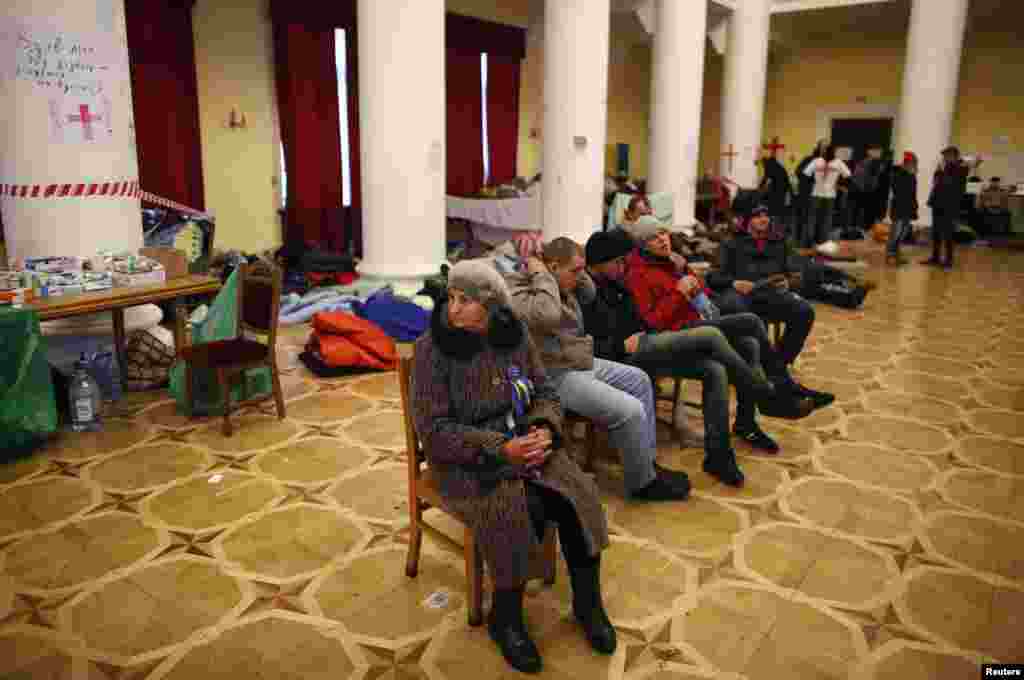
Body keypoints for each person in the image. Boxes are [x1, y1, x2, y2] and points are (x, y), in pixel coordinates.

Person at [411, 261, 615, 673]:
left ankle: (587, 604)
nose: (453, 309)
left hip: (525, 440)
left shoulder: (515, 334)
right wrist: (501, 449)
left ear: (490, 305)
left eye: (465, 300)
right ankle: (505, 620)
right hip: (467, 459)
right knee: (515, 509)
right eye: (451, 298)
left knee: (579, 493)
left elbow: (545, 391)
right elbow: (433, 431)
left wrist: (543, 428)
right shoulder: (432, 349)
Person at [582, 229, 807, 488]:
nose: (624, 266)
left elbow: (648, 316)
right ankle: (765, 394)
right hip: (630, 352)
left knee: (716, 368)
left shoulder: (620, 279)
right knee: (717, 333)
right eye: (619, 261)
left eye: (663, 234)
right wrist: (620, 344)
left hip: (653, 339)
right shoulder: (593, 290)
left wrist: (683, 274)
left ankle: (719, 455)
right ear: (600, 262)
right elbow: (593, 344)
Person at [505, 237, 691, 502]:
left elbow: (589, 293)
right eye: (575, 271)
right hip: (552, 375)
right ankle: (642, 485)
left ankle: (645, 465)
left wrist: (571, 271)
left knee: (639, 379)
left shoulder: (563, 282)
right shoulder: (517, 288)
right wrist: (542, 273)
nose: (580, 276)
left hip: (578, 360)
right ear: (552, 267)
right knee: (630, 410)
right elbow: (546, 315)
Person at [699, 199, 834, 409]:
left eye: (765, 215)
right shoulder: (731, 242)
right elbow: (713, 276)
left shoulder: (779, 241)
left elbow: (796, 273)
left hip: (771, 294)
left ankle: (777, 364)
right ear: (746, 220)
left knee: (804, 311)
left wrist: (789, 283)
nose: (763, 219)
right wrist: (734, 282)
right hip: (742, 298)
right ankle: (776, 376)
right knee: (740, 312)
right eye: (757, 215)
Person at [925, 146, 979, 269]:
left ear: (954, 156)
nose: (944, 158)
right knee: (936, 232)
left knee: (948, 233)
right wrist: (938, 172)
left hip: (950, 205)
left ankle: (948, 260)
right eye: (944, 156)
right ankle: (935, 257)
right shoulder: (944, 167)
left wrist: (972, 162)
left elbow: (971, 165)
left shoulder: (961, 168)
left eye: (947, 155)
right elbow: (936, 182)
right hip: (937, 203)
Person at [804, 145, 851, 246]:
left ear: (823, 152)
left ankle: (810, 241)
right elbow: (847, 175)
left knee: (813, 218)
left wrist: (815, 182)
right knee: (826, 219)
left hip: (816, 193)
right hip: (830, 194)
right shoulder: (838, 163)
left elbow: (806, 174)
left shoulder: (816, 161)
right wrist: (838, 184)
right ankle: (823, 240)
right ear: (834, 152)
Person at [887, 152, 919, 265]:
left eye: (915, 164)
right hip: (899, 208)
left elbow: (913, 194)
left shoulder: (912, 177)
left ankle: (896, 254)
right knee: (896, 232)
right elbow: (898, 192)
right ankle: (890, 254)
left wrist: (915, 208)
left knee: (903, 233)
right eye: (913, 163)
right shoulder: (897, 175)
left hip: (908, 209)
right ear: (907, 164)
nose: (915, 166)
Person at [795, 140, 827, 244]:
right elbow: (799, 172)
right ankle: (803, 242)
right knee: (805, 219)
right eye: (823, 147)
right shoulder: (809, 159)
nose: (825, 149)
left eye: (827, 147)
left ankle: (816, 241)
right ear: (818, 148)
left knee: (819, 219)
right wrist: (813, 180)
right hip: (807, 194)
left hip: (821, 195)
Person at [758, 147, 794, 233]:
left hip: (779, 189)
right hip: (783, 189)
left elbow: (766, 177)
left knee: (774, 209)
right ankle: (778, 228)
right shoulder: (776, 164)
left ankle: (775, 228)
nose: (763, 166)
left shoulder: (769, 164)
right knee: (779, 209)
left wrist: (759, 187)